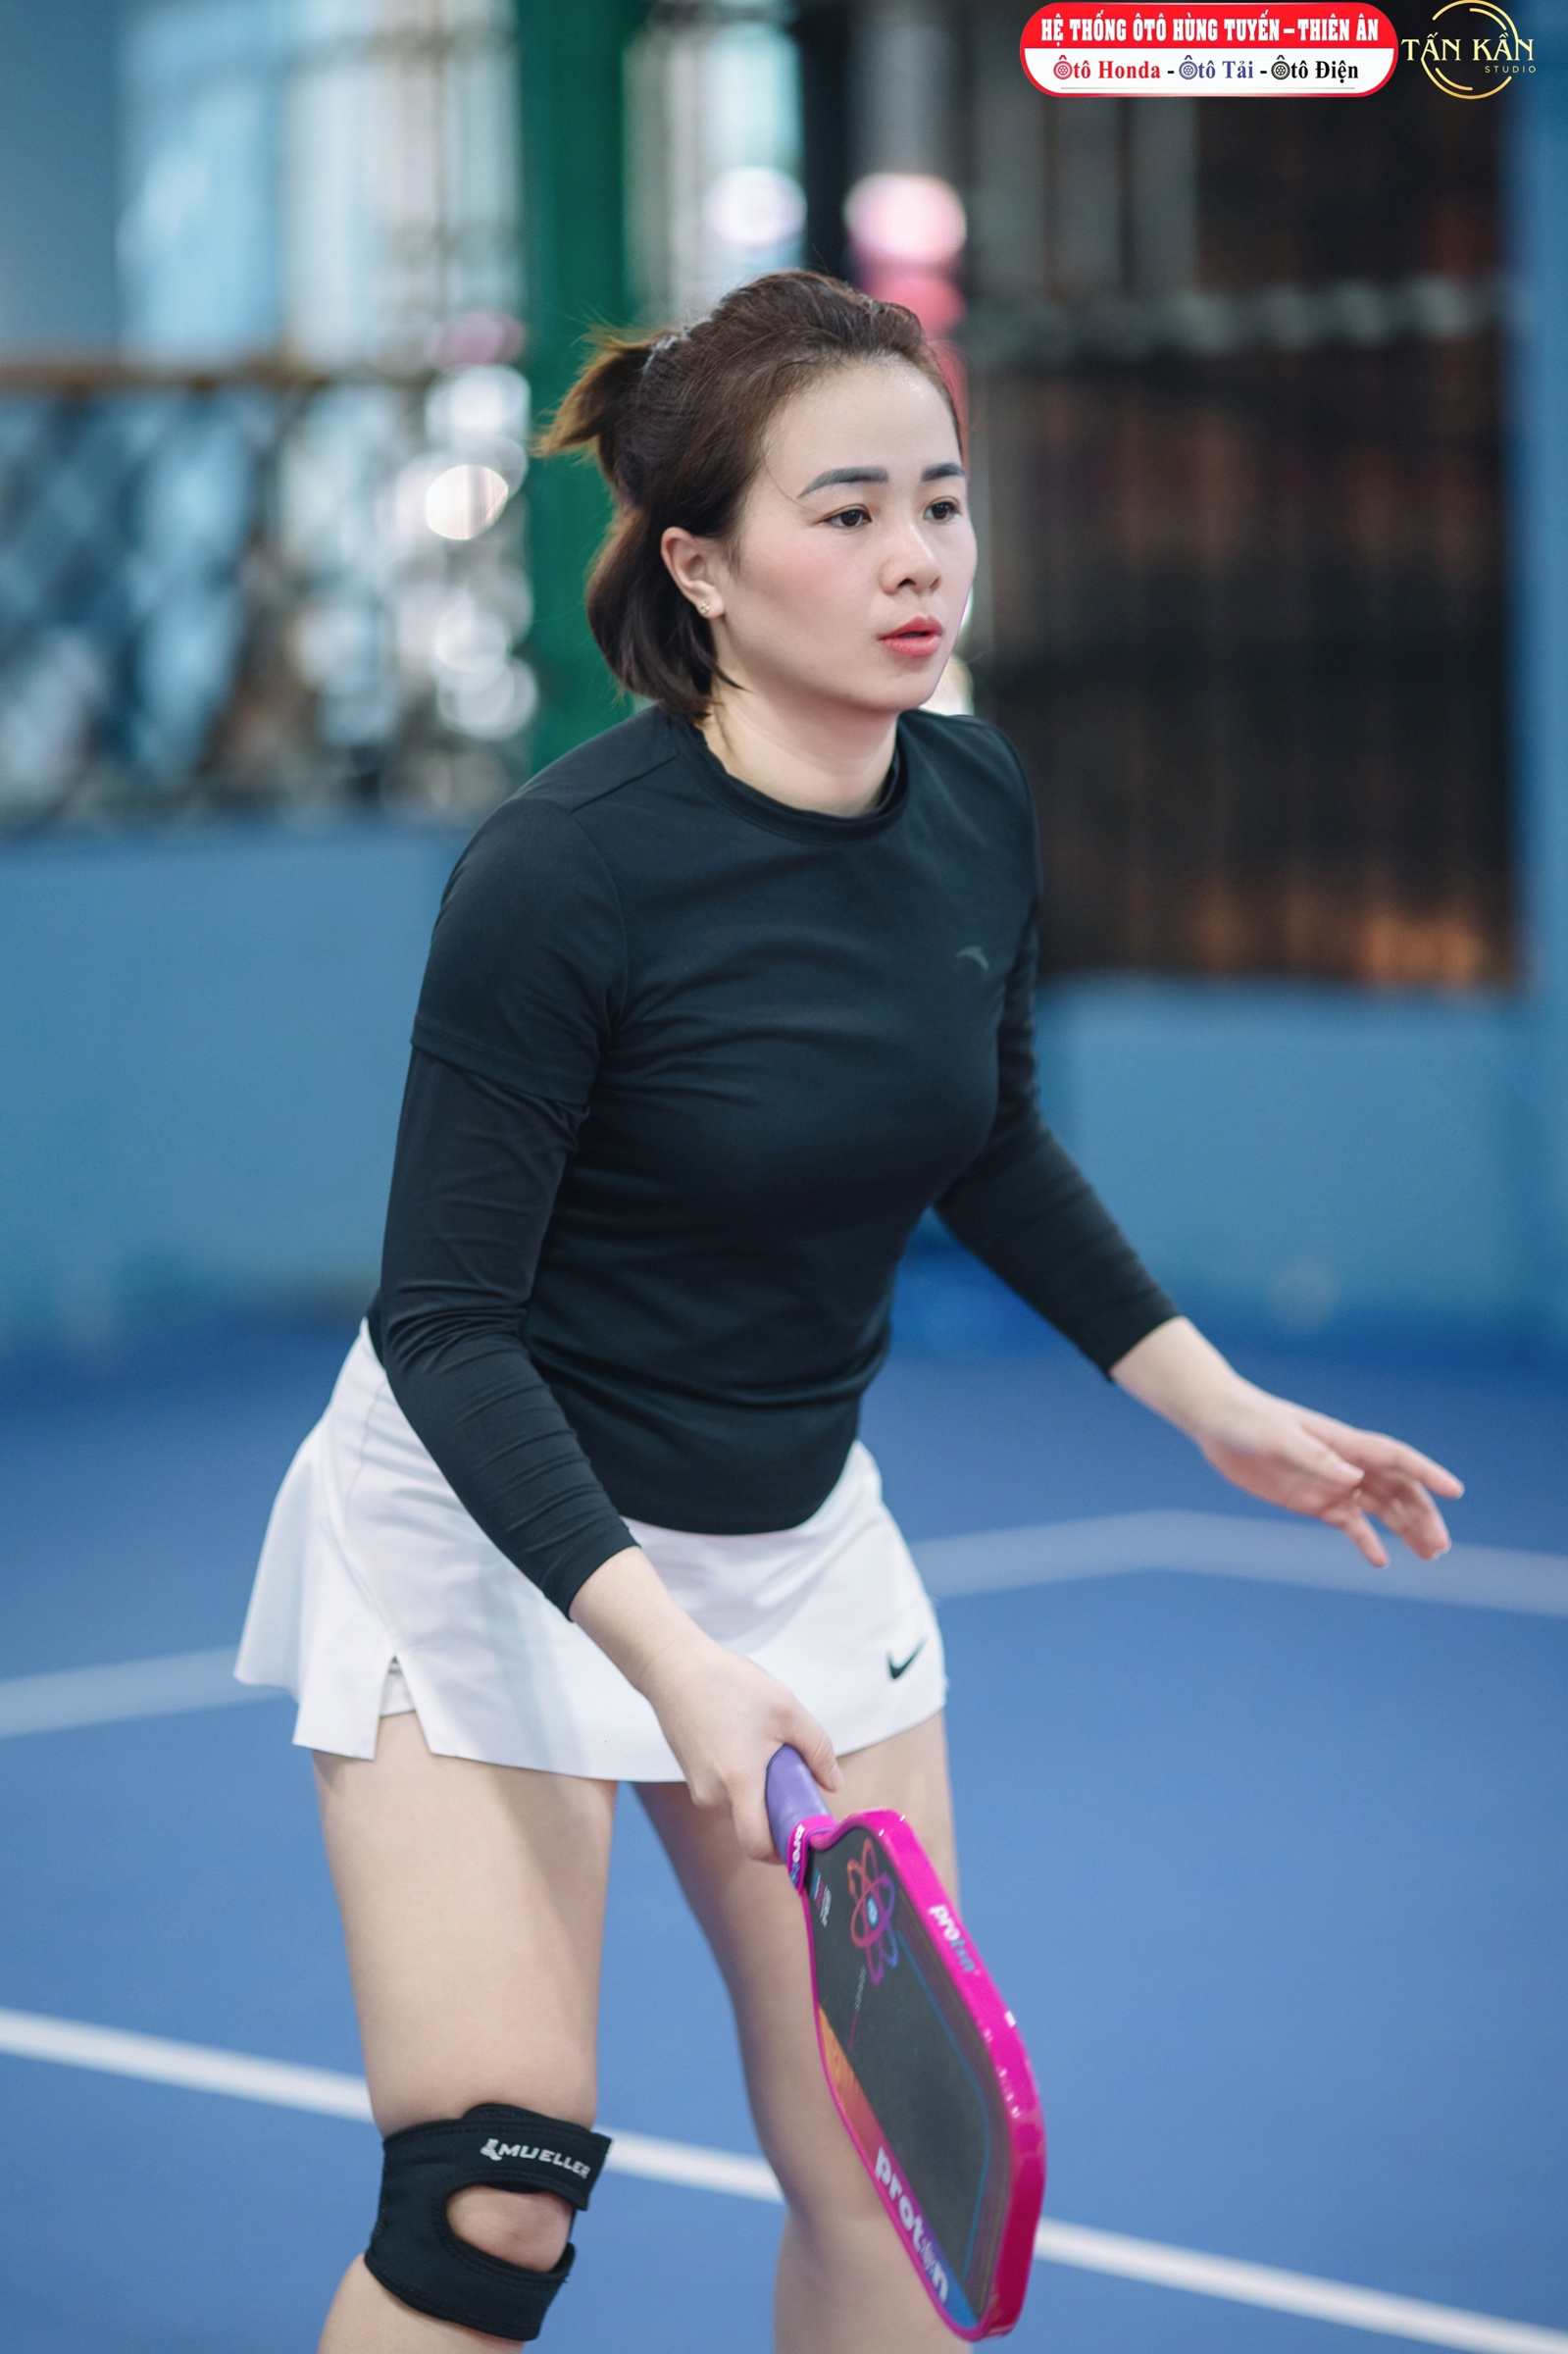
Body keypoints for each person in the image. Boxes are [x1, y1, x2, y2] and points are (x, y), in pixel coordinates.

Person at [235, 270, 1462, 2354]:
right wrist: (667, 1663)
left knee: (890, 2182)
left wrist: (1208, 1399)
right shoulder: (560, 875)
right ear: (700, 569)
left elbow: (988, 1138)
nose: (916, 559)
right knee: (489, 2202)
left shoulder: (973, 800)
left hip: (791, 1545)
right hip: (486, 1539)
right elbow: (445, 1326)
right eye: (848, 513)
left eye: (941, 503)